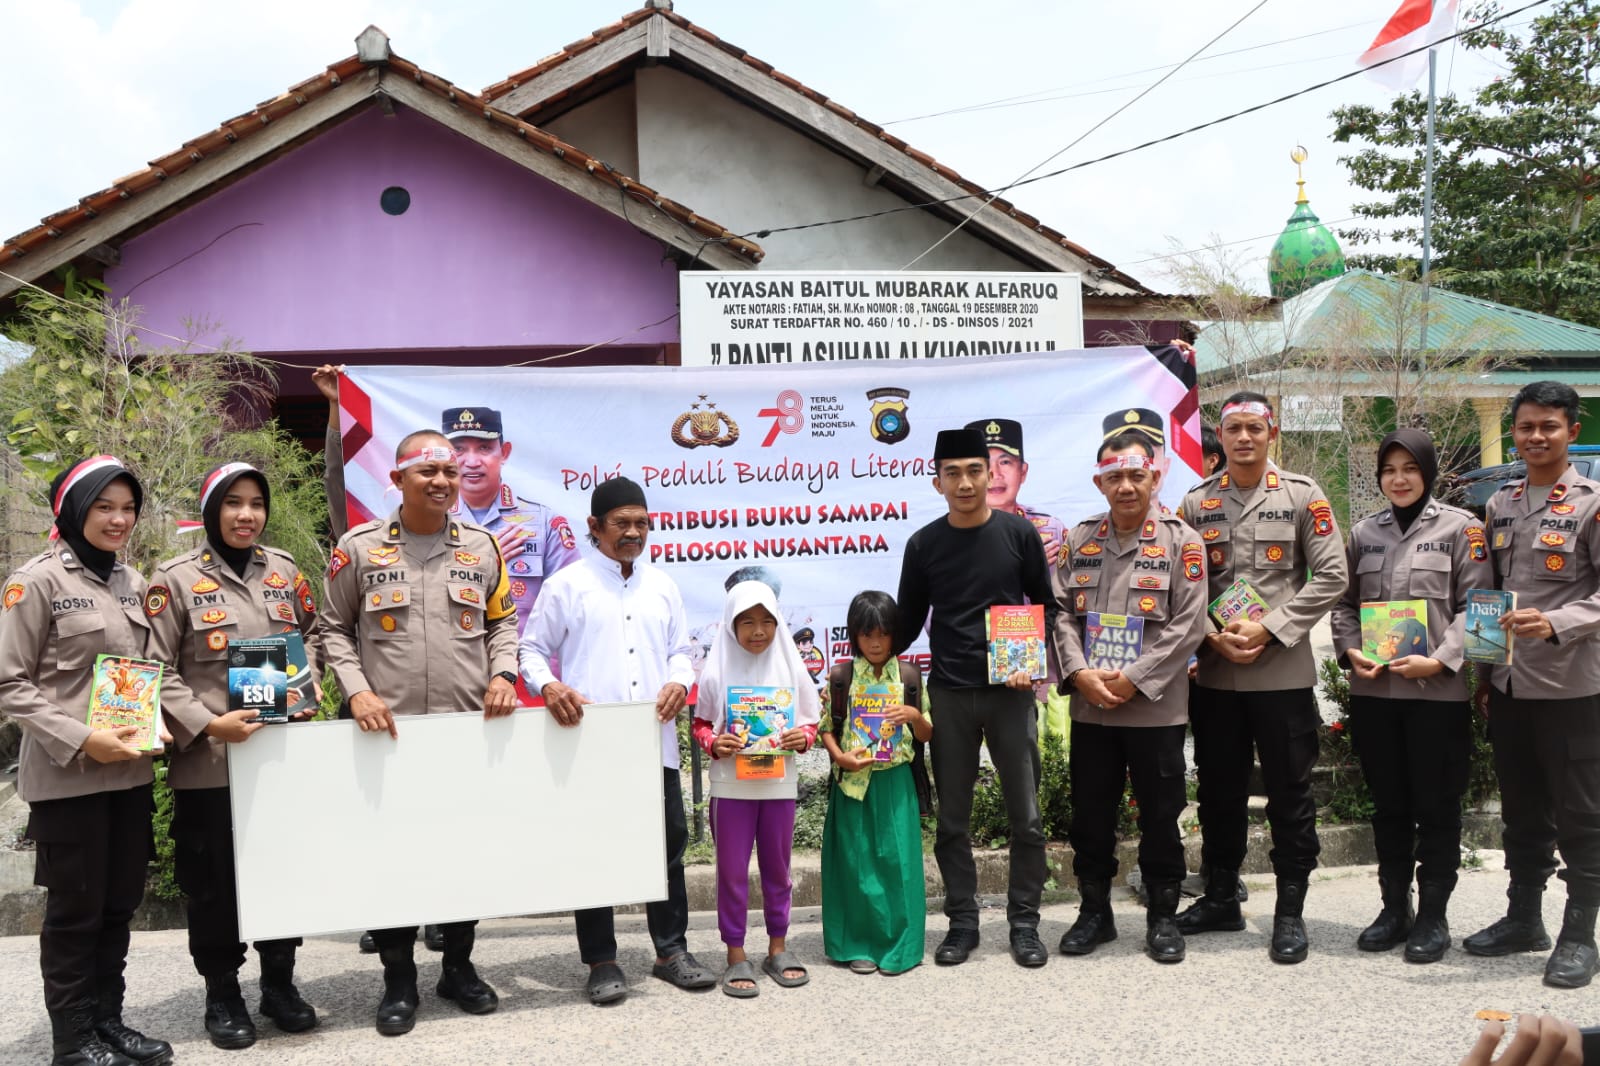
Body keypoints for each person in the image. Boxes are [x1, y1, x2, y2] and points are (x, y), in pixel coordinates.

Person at [319, 431, 518, 1034]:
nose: (442, 481)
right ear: (400, 479)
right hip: (389, 735)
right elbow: (332, 630)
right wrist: (357, 690)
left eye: (450, 472)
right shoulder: (358, 549)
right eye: (428, 471)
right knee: (393, 858)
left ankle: (457, 967)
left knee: (462, 852)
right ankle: (398, 980)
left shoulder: (482, 550)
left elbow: (501, 623)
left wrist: (504, 673)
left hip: (464, 733)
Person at [0, 456, 174, 1066]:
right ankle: (72, 1039)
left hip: (127, 772)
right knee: (75, 912)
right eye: (105, 507)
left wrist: (165, 722)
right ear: (73, 510)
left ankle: (109, 1022)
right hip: (68, 777)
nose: (119, 519)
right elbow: (9, 682)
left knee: (118, 905)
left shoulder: (132, 582)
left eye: (128, 508)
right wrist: (80, 737)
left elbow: (146, 673)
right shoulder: (37, 581)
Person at [520, 476, 717, 1004]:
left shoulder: (663, 585)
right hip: (591, 744)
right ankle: (602, 962)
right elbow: (531, 651)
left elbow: (681, 649)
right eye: (621, 523)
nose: (634, 533)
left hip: (653, 742)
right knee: (594, 847)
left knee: (668, 844)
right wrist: (551, 685)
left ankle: (670, 951)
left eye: (642, 523)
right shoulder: (569, 585)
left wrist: (679, 679)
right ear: (594, 527)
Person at [146, 463, 322, 1047]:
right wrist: (206, 722)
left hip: (278, 759)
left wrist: (305, 683)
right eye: (233, 504)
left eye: (256, 504)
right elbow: (157, 668)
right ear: (211, 510)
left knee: (281, 870)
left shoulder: (284, 571)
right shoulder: (173, 578)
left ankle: (280, 985)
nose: (247, 515)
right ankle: (222, 992)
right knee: (214, 882)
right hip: (211, 763)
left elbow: (313, 635)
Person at [1174, 392, 1348, 964]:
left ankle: (1290, 911)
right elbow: (1180, 586)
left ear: (1271, 432)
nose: (1244, 438)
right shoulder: (1196, 504)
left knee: (1290, 796)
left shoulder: (1303, 495)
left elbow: (1331, 575)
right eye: (1233, 429)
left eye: (1254, 427)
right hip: (1218, 676)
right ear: (1218, 437)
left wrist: (1271, 629)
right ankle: (1222, 895)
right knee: (1218, 792)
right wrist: (1208, 633)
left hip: (1282, 675)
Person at [892, 427, 1056, 968]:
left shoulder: (1018, 535)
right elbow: (906, 624)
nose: (965, 483)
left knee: (1026, 818)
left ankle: (1025, 923)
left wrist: (1027, 664)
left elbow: (1047, 606)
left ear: (991, 475)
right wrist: (860, 669)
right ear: (937, 481)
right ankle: (962, 923)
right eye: (953, 473)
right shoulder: (924, 544)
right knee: (953, 822)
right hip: (951, 695)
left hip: (1010, 694)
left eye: (975, 471)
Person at [1329, 430, 1490, 963]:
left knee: (1437, 806)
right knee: (1390, 806)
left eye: (1409, 469)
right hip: (1376, 694)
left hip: (1436, 696)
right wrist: (1350, 650)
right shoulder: (1363, 534)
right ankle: (1393, 908)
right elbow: (1344, 604)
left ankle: (1434, 916)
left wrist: (1442, 660)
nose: (1398, 479)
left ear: (1428, 471)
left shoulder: (1462, 530)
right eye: (1388, 470)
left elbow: (1480, 606)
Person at [1051, 431, 1208, 964]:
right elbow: (1060, 613)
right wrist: (1077, 672)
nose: (1125, 487)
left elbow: (1189, 624)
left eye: (1135, 476)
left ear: (1154, 478)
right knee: (1090, 817)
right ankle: (1094, 912)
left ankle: (1163, 916)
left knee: (1162, 817)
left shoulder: (1182, 541)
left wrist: (1134, 677)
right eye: (1114, 477)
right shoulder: (1078, 541)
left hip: (1156, 709)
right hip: (1092, 708)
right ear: (1099, 482)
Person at [1466, 381, 1600, 989]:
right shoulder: (1500, 504)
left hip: (1572, 686)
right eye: (1525, 427)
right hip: (1511, 684)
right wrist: (1484, 670)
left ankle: (1578, 937)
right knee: (1521, 812)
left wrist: (1557, 623)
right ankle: (1525, 919)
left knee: (1581, 817)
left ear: (1573, 430)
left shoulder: (1593, 504)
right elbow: (1488, 594)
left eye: (1548, 426)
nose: (1535, 437)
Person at [690, 581, 821, 996]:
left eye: (767, 621)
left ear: (779, 623)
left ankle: (778, 948)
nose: (759, 631)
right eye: (747, 622)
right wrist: (715, 743)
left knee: (778, 871)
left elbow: (810, 722)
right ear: (731, 627)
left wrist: (804, 738)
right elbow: (701, 724)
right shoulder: (716, 671)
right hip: (731, 788)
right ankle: (735, 953)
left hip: (779, 784)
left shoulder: (790, 668)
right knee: (731, 873)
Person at [819, 591, 932, 977]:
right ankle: (856, 945)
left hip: (895, 781)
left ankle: (901, 947)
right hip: (852, 782)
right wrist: (839, 757)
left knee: (897, 865)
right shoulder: (841, 677)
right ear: (854, 635)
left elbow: (928, 733)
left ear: (895, 634)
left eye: (883, 634)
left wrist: (914, 714)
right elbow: (826, 730)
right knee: (855, 865)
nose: (876, 642)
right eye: (867, 634)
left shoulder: (910, 676)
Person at [441, 406, 581, 639]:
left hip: (525, 667)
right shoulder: (426, 524)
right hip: (454, 665)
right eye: (459, 450)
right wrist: (480, 565)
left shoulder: (545, 524)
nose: (472, 461)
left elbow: (572, 606)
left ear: (504, 452)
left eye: (484, 448)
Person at [964, 418, 1067, 563]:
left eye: (1005, 462)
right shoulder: (951, 536)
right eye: (983, 464)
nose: (995, 474)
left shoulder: (1050, 531)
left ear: (1023, 472)